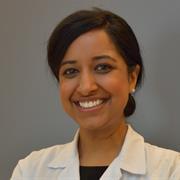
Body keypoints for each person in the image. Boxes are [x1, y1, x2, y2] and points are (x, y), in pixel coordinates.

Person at [11, 8, 180, 180]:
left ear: (132, 77)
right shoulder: (30, 170)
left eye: (102, 67)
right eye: (70, 71)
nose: (86, 87)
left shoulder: (171, 170)